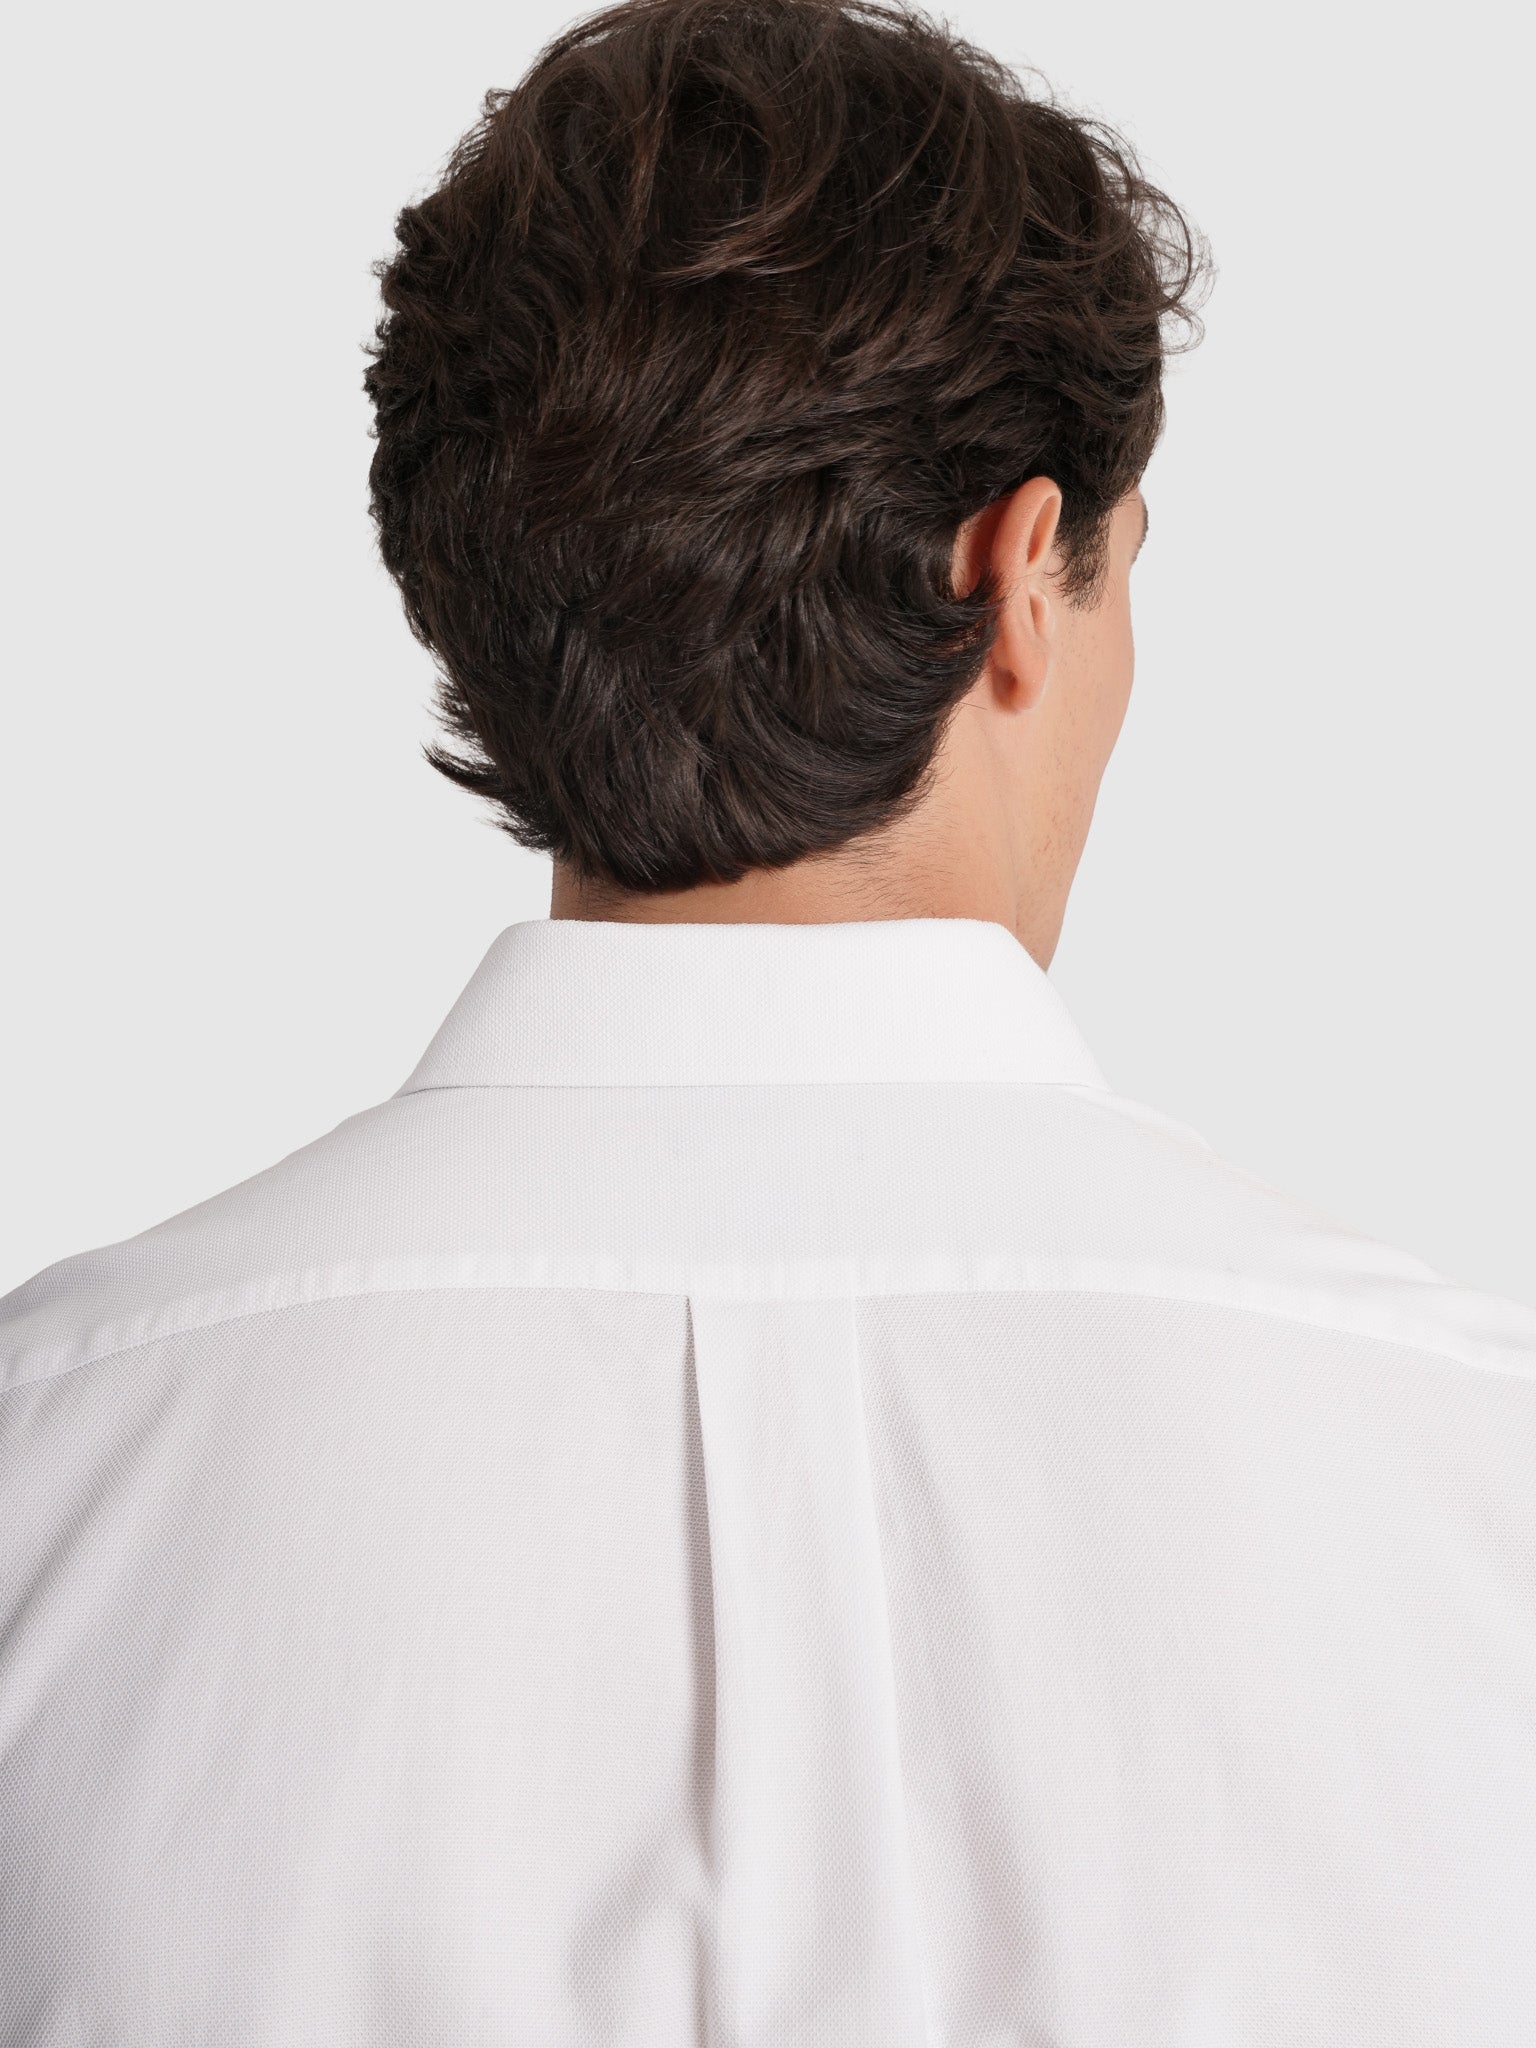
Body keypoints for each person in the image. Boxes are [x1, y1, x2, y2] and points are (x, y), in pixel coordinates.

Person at [3, 0, 1532, 2038]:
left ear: (469, 582)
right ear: (1018, 580)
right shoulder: (1472, 1489)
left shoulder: (51, 1468)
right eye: (1122, 570)